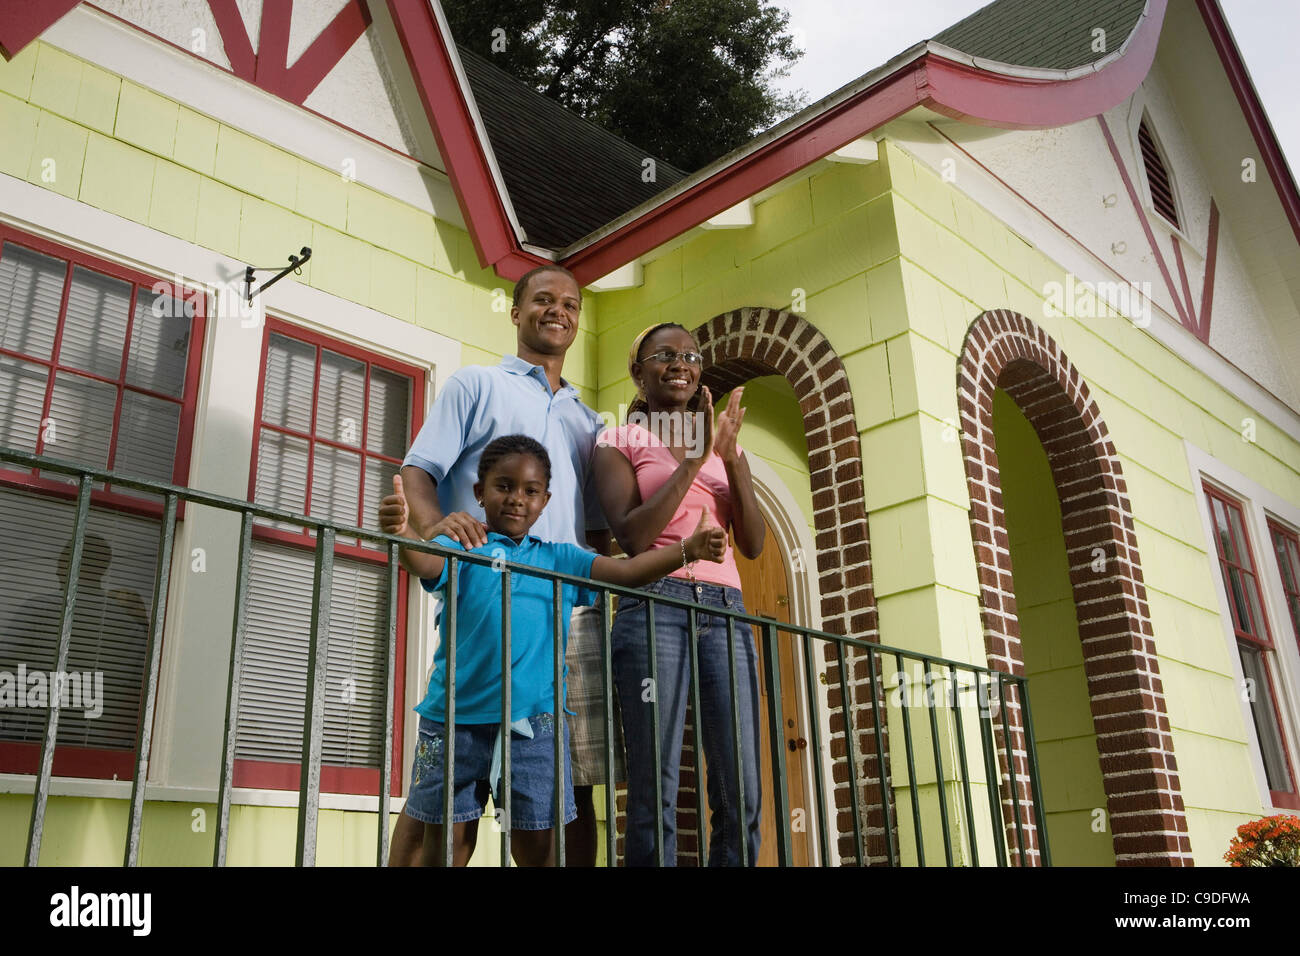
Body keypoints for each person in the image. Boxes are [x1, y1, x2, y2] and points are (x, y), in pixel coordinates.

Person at [380, 434, 725, 865]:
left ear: (545, 500)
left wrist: (687, 550)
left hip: (536, 724)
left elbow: (626, 572)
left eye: (530, 491)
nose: (516, 499)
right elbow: (423, 561)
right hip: (454, 721)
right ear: (479, 493)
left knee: (538, 848)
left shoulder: (561, 559)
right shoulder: (463, 545)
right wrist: (403, 532)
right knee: (445, 844)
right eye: (503, 486)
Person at [388, 264, 617, 866]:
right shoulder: (475, 385)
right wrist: (435, 528)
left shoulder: (588, 423)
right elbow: (418, 471)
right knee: (447, 799)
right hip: (486, 603)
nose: (558, 311)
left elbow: (592, 526)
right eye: (543, 299)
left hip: (569, 613)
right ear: (516, 313)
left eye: (570, 304)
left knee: (574, 783)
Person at [593, 322, 766, 866]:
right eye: (664, 354)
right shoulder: (617, 441)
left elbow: (755, 543)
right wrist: (693, 458)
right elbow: (633, 536)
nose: (680, 364)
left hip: (727, 613)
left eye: (690, 355)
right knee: (653, 784)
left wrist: (731, 457)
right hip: (653, 607)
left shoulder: (725, 450)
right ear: (638, 372)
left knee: (741, 786)